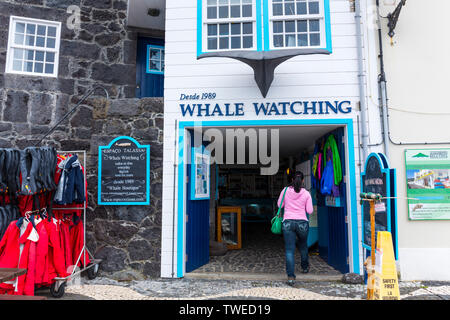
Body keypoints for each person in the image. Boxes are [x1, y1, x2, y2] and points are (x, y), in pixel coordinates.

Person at [277, 169, 314, 286]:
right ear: (302, 180)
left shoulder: (285, 190)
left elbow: (279, 205)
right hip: (302, 223)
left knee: (289, 250)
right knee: (303, 246)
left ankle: (291, 277)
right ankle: (304, 267)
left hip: (288, 222)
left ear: (292, 180)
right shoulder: (306, 193)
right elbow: (310, 210)